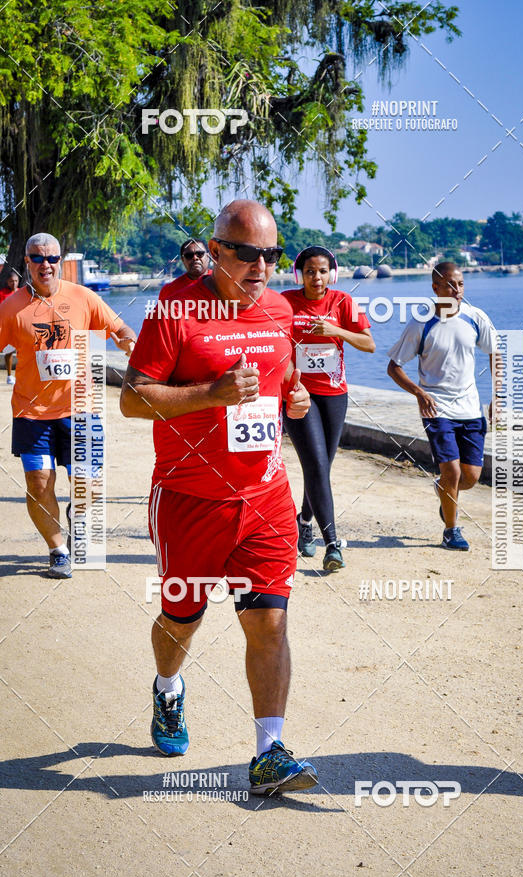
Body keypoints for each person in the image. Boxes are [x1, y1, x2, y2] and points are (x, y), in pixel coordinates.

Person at [120, 199, 319, 796]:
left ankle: (268, 752)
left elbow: (284, 380)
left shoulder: (281, 309)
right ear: (216, 251)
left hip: (265, 496)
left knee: (268, 621)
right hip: (189, 496)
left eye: (272, 255)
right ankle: (168, 688)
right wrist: (211, 393)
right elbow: (133, 398)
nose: (262, 267)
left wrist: (296, 397)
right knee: (183, 617)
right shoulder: (176, 308)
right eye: (248, 253)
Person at [0, 233, 137, 578]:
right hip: (32, 413)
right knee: (38, 482)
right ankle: (58, 549)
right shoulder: (11, 307)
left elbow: (120, 328)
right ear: (27, 262)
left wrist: (129, 342)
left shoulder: (83, 297)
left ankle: (80, 517)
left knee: (86, 487)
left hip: (82, 408)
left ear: (60, 260)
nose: (45, 265)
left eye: (52, 258)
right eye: (37, 258)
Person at [387, 261, 497, 551]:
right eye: (450, 284)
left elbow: (495, 352)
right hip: (437, 409)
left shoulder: (476, 317)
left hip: (471, 408)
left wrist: (497, 397)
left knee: (470, 478)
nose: (457, 290)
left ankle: (444, 492)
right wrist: (419, 393)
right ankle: (451, 530)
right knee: (452, 472)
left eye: (460, 284)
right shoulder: (421, 324)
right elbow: (394, 367)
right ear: (435, 288)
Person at [282, 246, 374, 571]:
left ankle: (304, 520)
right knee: (317, 466)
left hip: (335, 395)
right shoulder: (286, 302)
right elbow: (276, 345)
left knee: (322, 467)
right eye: (309, 271)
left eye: (322, 271)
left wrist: (337, 331)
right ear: (300, 274)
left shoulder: (342, 302)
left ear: (330, 273)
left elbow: (369, 344)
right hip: (299, 395)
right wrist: (290, 380)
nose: (316, 277)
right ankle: (332, 545)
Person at [0, 271, 19, 384]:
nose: (14, 283)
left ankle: (20, 375)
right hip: (8, 327)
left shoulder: (22, 293)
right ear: (8, 282)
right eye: (11, 281)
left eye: (16, 281)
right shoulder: (3, 294)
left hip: (21, 327)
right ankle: (9, 375)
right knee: (9, 351)